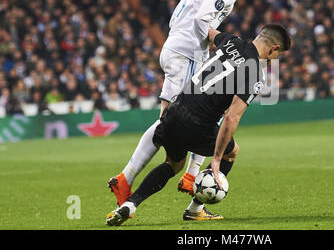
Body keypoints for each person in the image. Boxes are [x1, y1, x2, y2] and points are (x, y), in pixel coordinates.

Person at [108, 0, 265, 207]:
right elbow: (202, 19)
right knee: (196, 113)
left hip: (174, 45)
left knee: (168, 120)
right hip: (189, 51)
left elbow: (183, 12)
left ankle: (130, 179)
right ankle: (183, 176)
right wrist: (224, 43)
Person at [106, 23, 291, 226]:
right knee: (232, 152)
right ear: (273, 48)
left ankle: (130, 205)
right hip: (198, 124)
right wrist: (217, 159)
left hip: (174, 111)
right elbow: (232, 118)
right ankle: (195, 209)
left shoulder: (231, 41)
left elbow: (207, 29)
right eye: (277, 55)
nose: (274, 60)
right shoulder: (255, 72)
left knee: (173, 164)